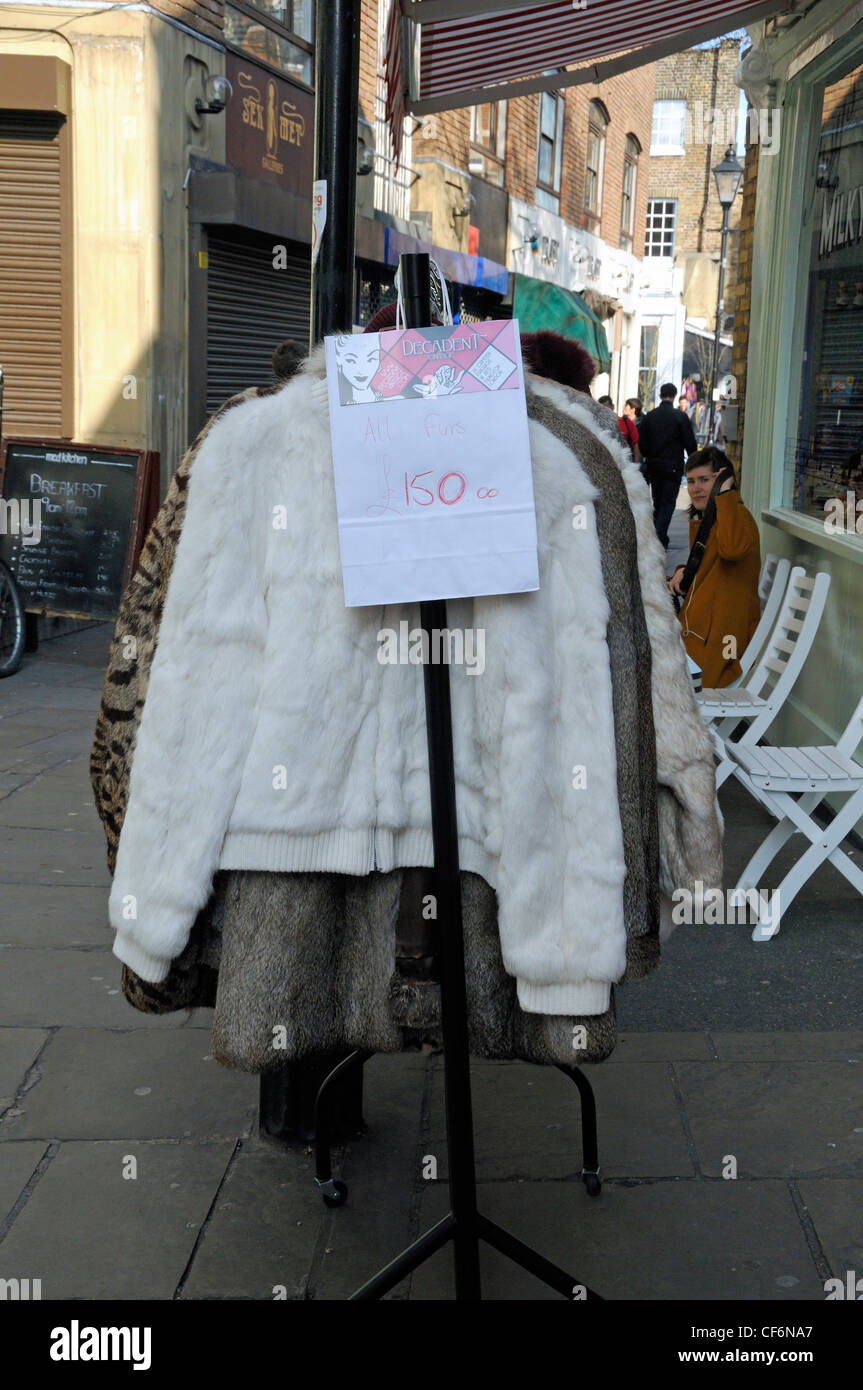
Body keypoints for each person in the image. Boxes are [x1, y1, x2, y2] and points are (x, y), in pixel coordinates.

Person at [667, 445, 761, 688]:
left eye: (705, 480)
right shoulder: (717, 518)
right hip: (703, 631)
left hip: (718, 641)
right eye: (691, 481)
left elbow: (732, 551)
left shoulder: (736, 516)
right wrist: (683, 570)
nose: (696, 488)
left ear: (722, 480)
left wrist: (725, 493)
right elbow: (712, 565)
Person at [637, 382, 698, 548]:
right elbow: (689, 442)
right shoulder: (679, 417)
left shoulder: (650, 416)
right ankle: (659, 534)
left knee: (657, 500)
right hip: (673, 465)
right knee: (668, 502)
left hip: (654, 465)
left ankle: (657, 533)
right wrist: (694, 460)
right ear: (675, 395)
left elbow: (642, 442)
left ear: (660, 395)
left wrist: (649, 455)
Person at [598, 394, 640, 462]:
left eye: (607, 408)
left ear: (613, 406)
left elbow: (636, 444)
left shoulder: (626, 422)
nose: (605, 411)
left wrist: (636, 464)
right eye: (602, 409)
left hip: (625, 462)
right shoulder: (598, 424)